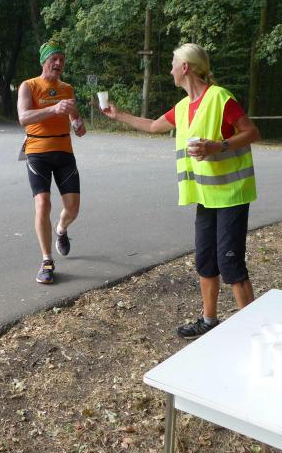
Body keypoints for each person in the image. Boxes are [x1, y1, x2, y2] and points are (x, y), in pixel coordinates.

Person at [103, 42, 259, 339]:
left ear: (185, 67)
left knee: (230, 263)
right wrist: (119, 114)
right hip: (205, 196)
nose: (170, 70)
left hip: (231, 195)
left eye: (173, 63)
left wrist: (218, 146)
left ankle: (254, 333)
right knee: (205, 260)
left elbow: (252, 132)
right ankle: (209, 321)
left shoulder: (219, 97)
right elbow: (153, 126)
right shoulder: (184, 107)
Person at [17, 41, 87, 284]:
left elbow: (75, 119)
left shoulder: (67, 88)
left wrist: (77, 123)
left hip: (64, 152)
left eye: (62, 60)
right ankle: (47, 261)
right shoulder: (29, 86)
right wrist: (54, 109)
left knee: (73, 208)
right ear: (43, 61)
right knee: (43, 203)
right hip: (38, 151)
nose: (58, 63)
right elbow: (24, 117)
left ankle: (61, 228)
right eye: (54, 59)